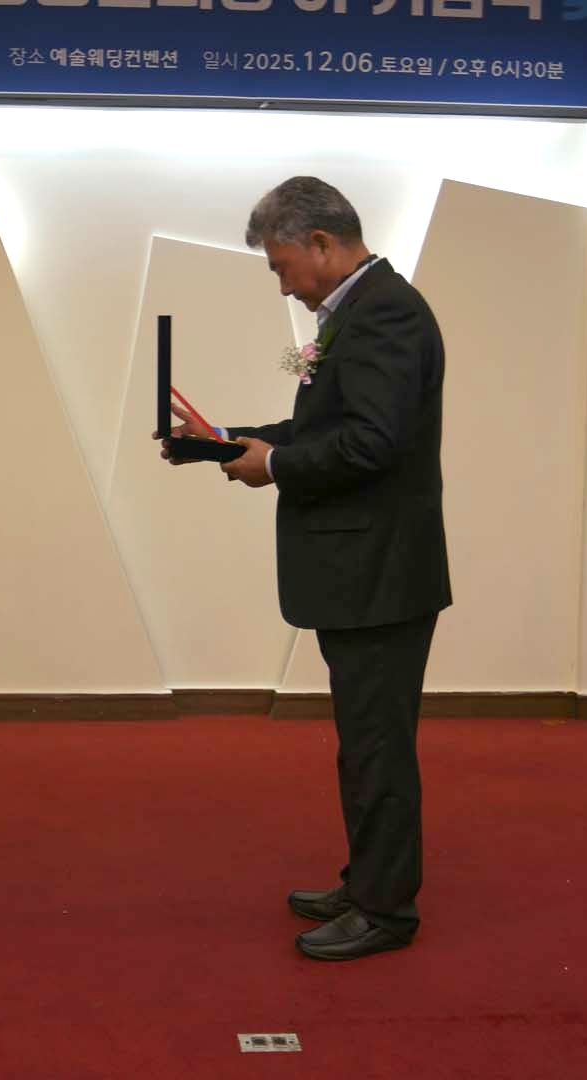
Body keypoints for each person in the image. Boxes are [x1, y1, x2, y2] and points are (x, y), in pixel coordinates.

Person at [161, 176, 451, 961]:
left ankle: (385, 910)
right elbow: (326, 428)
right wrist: (219, 442)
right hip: (366, 569)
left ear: (321, 243)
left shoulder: (385, 312)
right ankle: (368, 883)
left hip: (380, 573)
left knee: (377, 746)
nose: (282, 284)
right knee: (364, 742)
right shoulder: (360, 311)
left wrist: (276, 465)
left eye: (281, 266)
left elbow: (372, 443)